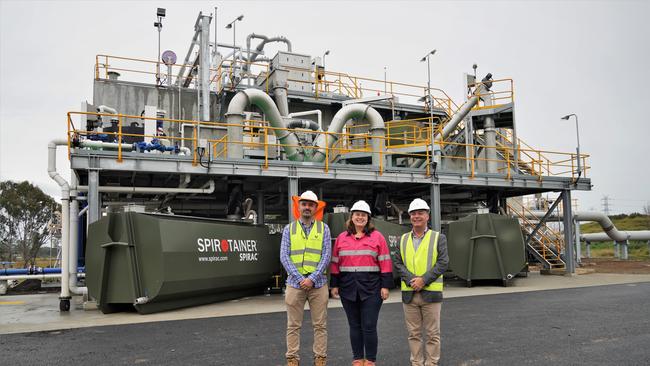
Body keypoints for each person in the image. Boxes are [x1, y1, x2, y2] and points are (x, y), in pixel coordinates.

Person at [330, 200, 393, 366]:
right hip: (348, 288)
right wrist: (334, 285)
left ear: (368, 218)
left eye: (363, 215)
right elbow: (335, 263)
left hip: (372, 289)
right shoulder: (342, 238)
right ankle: (358, 359)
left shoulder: (377, 237)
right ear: (351, 217)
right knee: (354, 325)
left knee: (369, 325)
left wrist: (385, 286)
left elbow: (385, 261)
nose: (360, 217)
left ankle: (370, 360)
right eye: (357, 214)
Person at [393, 198, 449, 366]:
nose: (416, 216)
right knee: (413, 334)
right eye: (413, 213)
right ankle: (416, 363)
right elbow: (397, 262)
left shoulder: (438, 238)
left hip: (431, 293)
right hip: (410, 294)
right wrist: (412, 281)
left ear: (427, 216)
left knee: (433, 334)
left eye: (420, 213)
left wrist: (423, 280)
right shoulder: (402, 239)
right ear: (410, 216)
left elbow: (443, 262)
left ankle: (431, 363)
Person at [280, 190, 332, 366]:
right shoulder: (289, 229)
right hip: (295, 284)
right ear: (299, 206)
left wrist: (312, 278)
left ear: (316, 208)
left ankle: (320, 359)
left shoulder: (324, 228)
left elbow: (326, 256)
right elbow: (284, 256)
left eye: (311, 204)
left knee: (320, 326)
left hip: (318, 284)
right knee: (293, 326)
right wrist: (301, 278)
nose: (307, 207)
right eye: (304, 204)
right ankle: (292, 359)